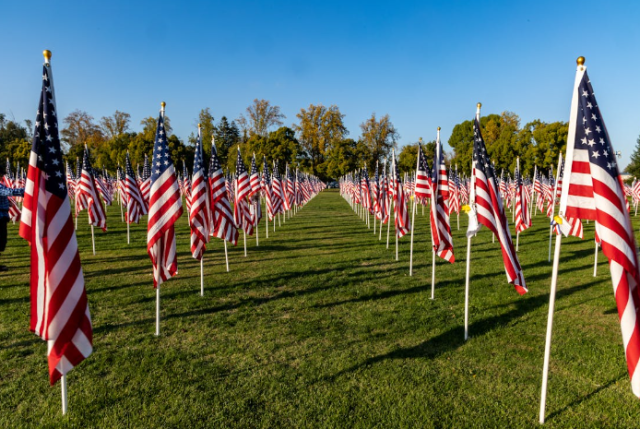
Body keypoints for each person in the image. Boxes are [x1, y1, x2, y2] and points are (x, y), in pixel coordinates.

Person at [0, 182, 25, 271]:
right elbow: (7, 192)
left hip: (2, 216)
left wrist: (7, 203)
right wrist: (25, 191)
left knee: (2, 241)